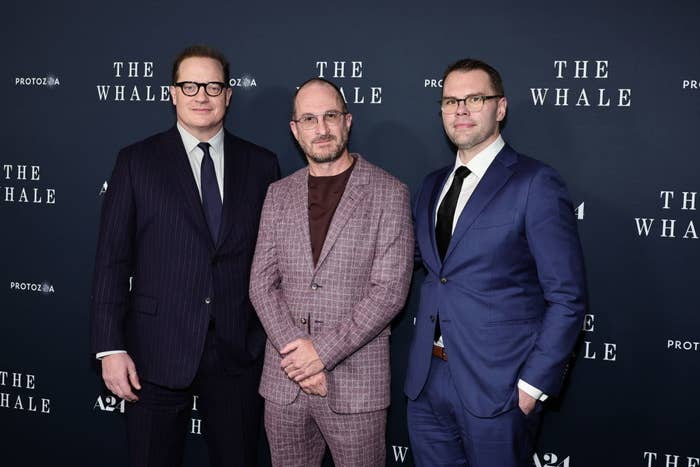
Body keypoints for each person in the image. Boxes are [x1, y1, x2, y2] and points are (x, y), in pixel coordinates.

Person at [90, 44, 279, 467]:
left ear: (228, 95)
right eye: (189, 85)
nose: (202, 95)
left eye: (213, 85)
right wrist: (109, 346)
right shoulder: (136, 161)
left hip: (237, 351)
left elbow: (274, 262)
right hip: (153, 351)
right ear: (172, 93)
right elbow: (112, 260)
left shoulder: (262, 165)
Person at [404, 58, 586, 467]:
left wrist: (531, 386)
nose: (461, 110)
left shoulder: (535, 183)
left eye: (475, 98)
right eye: (451, 101)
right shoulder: (433, 184)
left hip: (499, 387)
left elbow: (567, 297)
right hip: (427, 380)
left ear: (500, 108)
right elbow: (428, 267)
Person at [249, 77, 414, 467]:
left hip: (355, 386)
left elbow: (389, 292)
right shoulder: (278, 194)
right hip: (284, 382)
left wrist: (319, 354)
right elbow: (261, 283)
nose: (321, 129)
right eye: (309, 119)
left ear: (348, 121)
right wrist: (300, 359)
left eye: (330, 116)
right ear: (295, 129)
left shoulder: (390, 193)